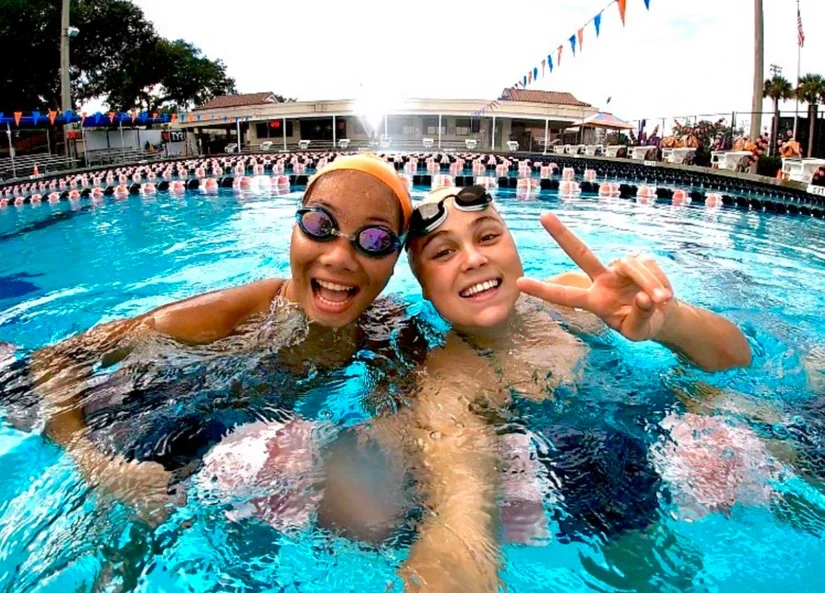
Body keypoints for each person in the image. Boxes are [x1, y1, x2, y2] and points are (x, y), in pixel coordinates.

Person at [16, 154, 422, 522]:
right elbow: (57, 358)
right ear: (294, 231)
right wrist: (93, 464)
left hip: (215, 435)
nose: (339, 258)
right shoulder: (236, 313)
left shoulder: (386, 331)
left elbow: (406, 427)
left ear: (397, 259)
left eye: (375, 240)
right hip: (116, 412)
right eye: (320, 225)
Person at [392, 185, 752, 591]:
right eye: (443, 252)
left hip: (671, 416)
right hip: (589, 477)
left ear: (513, 247)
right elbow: (460, 517)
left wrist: (672, 322)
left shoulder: (580, 299)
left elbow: (737, 360)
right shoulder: (448, 383)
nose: (474, 259)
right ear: (424, 286)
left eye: (488, 236)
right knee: (648, 565)